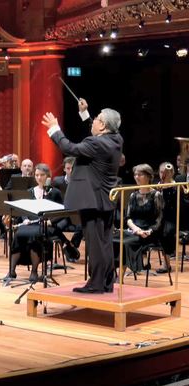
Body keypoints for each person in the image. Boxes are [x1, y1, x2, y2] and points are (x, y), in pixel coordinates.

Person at [42, 102, 123, 294]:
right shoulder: (116, 138)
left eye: (96, 119)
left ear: (103, 125)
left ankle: (95, 284)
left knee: (95, 245)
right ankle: (106, 282)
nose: (93, 120)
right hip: (106, 199)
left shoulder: (97, 144)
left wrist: (54, 128)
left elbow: (69, 147)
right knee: (104, 243)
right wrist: (84, 113)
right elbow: (97, 134)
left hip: (92, 201)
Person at [3, 164, 65, 283]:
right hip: (30, 224)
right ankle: (11, 271)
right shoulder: (30, 191)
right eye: (37, 175)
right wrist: (25, 219)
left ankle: (34, 271)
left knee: (34, 235)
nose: (39, 178)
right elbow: (23, 210)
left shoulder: (54, 192)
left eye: (42, 175)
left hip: (46, 225)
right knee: (18, 234)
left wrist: (51, 221)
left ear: (48, 176)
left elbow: (62, 212)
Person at [115, 164, 169, 274]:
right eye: (135, 174)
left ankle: (119, 277)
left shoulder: (156, 195)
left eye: (140, 174)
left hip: (150, 232)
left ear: (149, 176)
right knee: (114, 241)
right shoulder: (133, 195)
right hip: (135, 230)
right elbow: (128, 218)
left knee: (125, 243)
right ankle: (110, 274)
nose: (136, 177)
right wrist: (136, 229)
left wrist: (149, 231)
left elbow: (160, 219)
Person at [53, 156, 83, 262]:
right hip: (63, 214)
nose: (71, 171)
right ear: (64, 169)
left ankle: (72, 247)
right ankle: (67, 244)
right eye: (68, 168)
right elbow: (54, 197)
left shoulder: (82, 182)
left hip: (76, 213)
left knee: (83, 225)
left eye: (73, 168)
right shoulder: (57, 181)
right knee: (53, 227)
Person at [157, 162, 178, 273]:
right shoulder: (158, 185)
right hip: (159, 217)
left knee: (166, 232)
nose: (164, 174)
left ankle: (167, 264)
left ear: (172, 173)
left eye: (167, 172)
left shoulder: (177, 185)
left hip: (172, 217)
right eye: (161, 172)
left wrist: (168, 189)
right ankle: (143, 263)